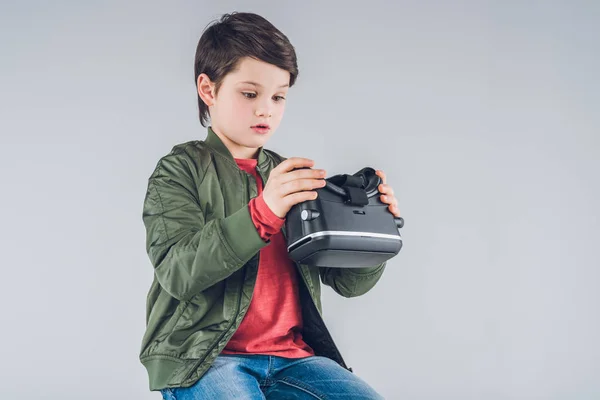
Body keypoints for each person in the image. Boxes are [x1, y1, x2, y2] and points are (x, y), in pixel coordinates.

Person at [140, 11, 401, 400]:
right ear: (208, 90)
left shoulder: (286, 174)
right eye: (250, 94)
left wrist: (373, 230)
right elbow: (178, 272)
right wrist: (263, 211)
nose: (266, 109)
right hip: (206, 358)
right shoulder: (179, 170)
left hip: (295, 359)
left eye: (278, 96)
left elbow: (346, 282)